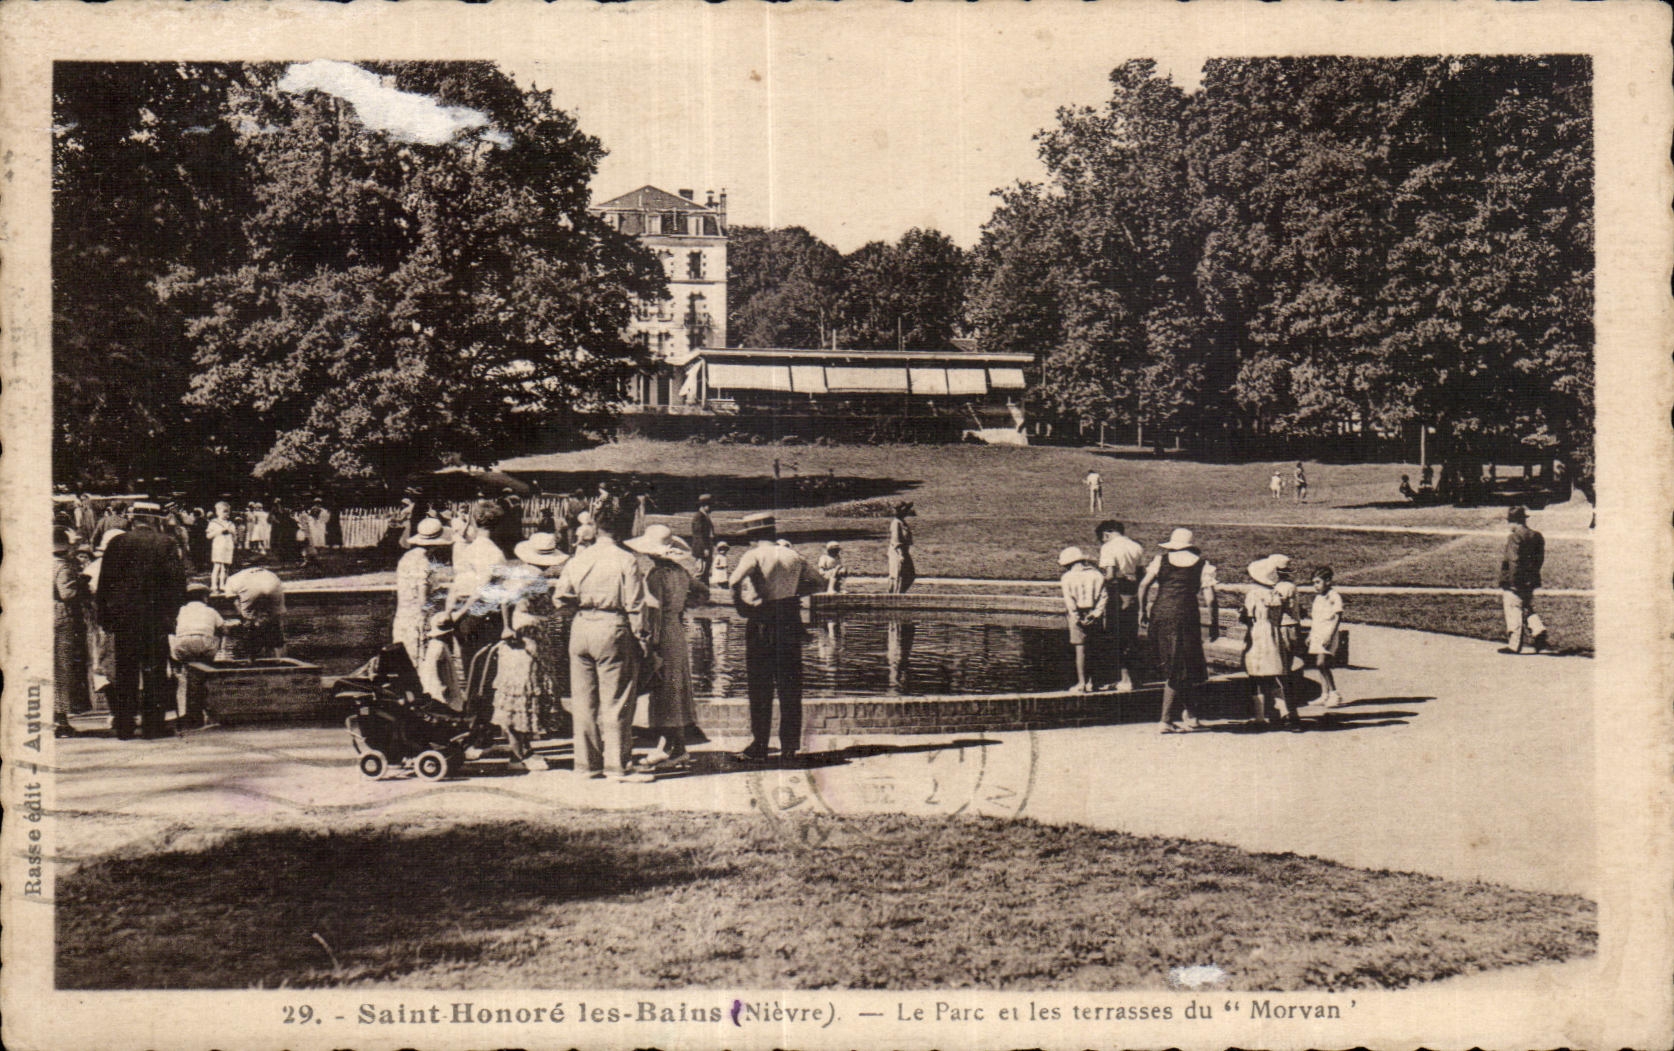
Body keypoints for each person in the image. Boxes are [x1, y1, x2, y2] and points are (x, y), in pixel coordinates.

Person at [552, 515, 652, 781]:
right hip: (612, 624)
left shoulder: (578, 559)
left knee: (583, 701)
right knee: (617, 699)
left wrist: (581, 607)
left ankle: (587, 764)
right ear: (623, 532)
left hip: (582, 624)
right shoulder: (626, 559)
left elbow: (560, 598)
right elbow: (635, 604)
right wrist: (642, 638)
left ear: (596, 529)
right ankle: (618, 765)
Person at [728, 512, 826, 765]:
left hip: (763, 621)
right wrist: (793, 592)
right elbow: (819, 583)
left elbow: (733, 580)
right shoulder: (793, 555)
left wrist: (743, 604)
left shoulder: (754, 555)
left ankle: (760, 744)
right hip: (790, 621)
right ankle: (790, 747)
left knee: (760, 686)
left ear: (752, 535)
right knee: (790, 686)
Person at [96, 504, 187, 739]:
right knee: (154, 671)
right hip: (154, 618)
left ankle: (125, 725)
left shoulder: (117, 543)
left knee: (125, 670)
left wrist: (105, 617)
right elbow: (177, 583)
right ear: (154, 520)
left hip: (124, 619)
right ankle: (152, 725)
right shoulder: (166, 543)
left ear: (133, 520)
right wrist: (172, 614)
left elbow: (105, 583)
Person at [626, 524, 706, 773]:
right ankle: (676, 746)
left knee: (664, 688)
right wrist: (682, 607)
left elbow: (655, 611)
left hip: (663, 634)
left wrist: (651, 643)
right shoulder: (681, 572)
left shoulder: (656, 575)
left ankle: (668, 746)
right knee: (675, 687)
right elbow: (703, 593)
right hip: (677, 630)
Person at [1138, 528, 1220, 734]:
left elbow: (1143, 586)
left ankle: (1191, 715)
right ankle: (1165, 720)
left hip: (1160, 613)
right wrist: (1214, 623)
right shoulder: (1202, 565)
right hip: (1185, 616)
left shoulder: (1161, 560)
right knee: (1180, 666)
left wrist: (1142, 610)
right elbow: (1210, 599)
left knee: (1180, 664)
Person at [511, 532, 572, 744]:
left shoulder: (520, 572)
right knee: (535, 675)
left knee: (530, 677)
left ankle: (531, 728)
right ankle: (535, 728)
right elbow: (543, 609)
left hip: (520, 623)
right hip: (532, 627)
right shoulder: (535, 577)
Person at [1241, 557, 1298, 731]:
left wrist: (1242, 614)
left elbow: (1249, 618)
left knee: (1255, 676)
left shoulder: (1254, 594)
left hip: (1258, 634)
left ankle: (1259, 718)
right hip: (1273, 635)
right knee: (1274, 676)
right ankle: (1285, 713)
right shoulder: (1275, 593)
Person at [392, 517, 453, 666]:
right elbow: (423, 599)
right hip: (417, 620)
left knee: (405, 662)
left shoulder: (407, 557)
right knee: (422, 663)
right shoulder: (425, 563)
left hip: (402, 616)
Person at [1096, 520, 1144, 693]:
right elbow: (1141, 574)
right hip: (1133, 596)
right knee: (1131, 637)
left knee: (1117, 638)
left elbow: (1109, 575)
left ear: (1107, 534)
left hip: (1117, 596)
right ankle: (1132, 677)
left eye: (1103, 538)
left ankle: (1125, 680)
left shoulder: (1108, 548)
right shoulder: (1136, 546)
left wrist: (1096, 581)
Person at [53, 528, 90, 737]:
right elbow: (67, 594)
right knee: (63, 668)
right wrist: (81, 586)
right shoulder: (63, 567)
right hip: (62, 617)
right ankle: (61, 719)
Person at [1499, 505, 1549, 653]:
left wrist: (1514, 581)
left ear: (1514, 521)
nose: (1509, 525)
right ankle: (1538, 630)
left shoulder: (1515, 537)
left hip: (1516, 580)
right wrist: (1532, 575)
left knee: (1513, 608)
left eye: (1510, 521)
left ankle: (1514, 645)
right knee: (1524, 605)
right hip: (1531, 578)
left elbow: (1514, 560)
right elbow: (1539, 559)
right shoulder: (1536, 535)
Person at [1058, 546, 1107, 693]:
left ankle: (1081, 683)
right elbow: (1103, 597)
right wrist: (1096, 614)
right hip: (1094, 613)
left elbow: (1069, 600)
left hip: (1077, 613)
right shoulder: (1097, 575)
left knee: (1081, 649)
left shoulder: (1067, 577)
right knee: (1094, 648)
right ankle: (1093, 682)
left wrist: (1077, 617)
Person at [223, 557, 287, 659]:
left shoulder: (233, 578)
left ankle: (252, 657)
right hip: (273, 586)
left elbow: (235, 602)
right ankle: (280, 658)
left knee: (250, 627)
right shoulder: (270, 573)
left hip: (249, 592)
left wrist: (245, 617)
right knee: (275, 623)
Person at [1308, 567, 1346, 708]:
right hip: (1318, 633)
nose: (1315, 586)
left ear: (1328, 581)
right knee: (1319, 665)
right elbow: (1316, 618)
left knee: (1322, 663)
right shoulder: (1318, 598)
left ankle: (1335, 693)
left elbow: (1338, 616)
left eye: (1318, 582)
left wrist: (1330, 635)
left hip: (1328, 634)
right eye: (1313, 583)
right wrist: (1311, 634)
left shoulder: (1334, 596)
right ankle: (1324, 695)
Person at [168, 582, 225, 664]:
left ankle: (177, 668)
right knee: (218, 634)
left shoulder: (181, 610)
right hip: (205, 646)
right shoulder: (211, 610)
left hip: (183, 647)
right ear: (204, 598)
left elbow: (172, 626)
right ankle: (209, 661)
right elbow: (224, 630)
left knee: (171, 636)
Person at [1269, 553, 1302, 683]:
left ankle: (1285, 693)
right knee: (1285, 661)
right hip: (1289, 625)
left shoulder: (1284, 587)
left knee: (1283, 661)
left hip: (1285, 627)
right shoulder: (1287, 585)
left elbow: (1278, 606)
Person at [886, 501, 917, 594]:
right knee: (897, 575)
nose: (907, 511)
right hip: (898, 552)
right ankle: (894, 597)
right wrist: (901, 555)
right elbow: (896, 541)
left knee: (909, 575)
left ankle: (899, 594)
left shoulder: (902, 522)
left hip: (904, 551)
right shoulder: (896, 523)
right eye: (905, 509)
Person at [206, 501, 236, 594]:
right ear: (217, 512)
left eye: (227, 511)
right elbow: (208, 535)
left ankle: (223, 585)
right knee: (217, 566)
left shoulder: (231, 524)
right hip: (218, 546)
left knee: (226, 567)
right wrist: (219, 532)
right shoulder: (213, 523)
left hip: (228, 546)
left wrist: (231, 533)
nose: (226, 514)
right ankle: (214, 585)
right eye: (224, 511)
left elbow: (235, 536)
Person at [689, 494, 716, 583]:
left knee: (705, 572)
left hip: (707, 546)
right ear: (704, 505)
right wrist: (704, 548)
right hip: (702, 548)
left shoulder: (705, 516)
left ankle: (704, 593)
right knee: (700, 571)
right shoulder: (699, 516)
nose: (712, 508)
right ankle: (693, 592)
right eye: (710, 505)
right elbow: (698, 534)